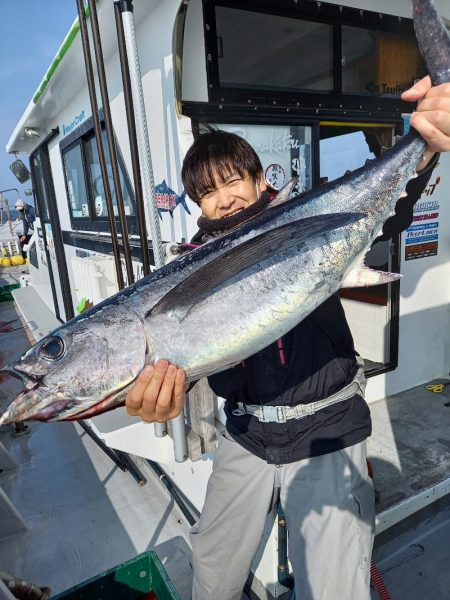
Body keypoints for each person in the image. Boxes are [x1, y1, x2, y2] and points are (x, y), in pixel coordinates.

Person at [125, 76, 450, 600]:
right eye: (207, 193)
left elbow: (392, 216)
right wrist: (165, 394)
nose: (224, 200)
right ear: (197, 207)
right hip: (245, 436)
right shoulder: (186, 273)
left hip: (329, 430)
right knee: (212, 576)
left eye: (232, 182)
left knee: (334, 588)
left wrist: (427, 146)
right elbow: (189, 360)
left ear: (258, 180)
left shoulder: (307, 219)